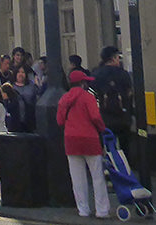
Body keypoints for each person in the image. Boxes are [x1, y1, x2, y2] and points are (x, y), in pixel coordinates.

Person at [57, 69, 110, 219]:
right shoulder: (88, 98)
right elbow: (95, 117)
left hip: (71, 141)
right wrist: (103, 129)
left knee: (77, 178)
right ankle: (102, 210)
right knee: (97, 176)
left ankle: (83, 209)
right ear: (82, 83)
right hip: (90, 140)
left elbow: (60, 121)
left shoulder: (64, 99)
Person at [91, 46, 134, 157]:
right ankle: (125, 168)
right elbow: (129, 94)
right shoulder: (123, 74)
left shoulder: (96, 74)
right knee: (125, 147)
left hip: (104, 118)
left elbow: (92, 95)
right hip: (123, 117)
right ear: (113, 58)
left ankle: (110, 168)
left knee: (108, 146)